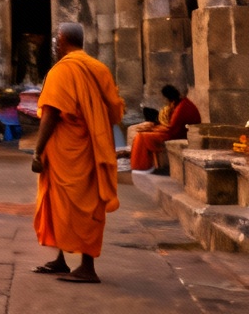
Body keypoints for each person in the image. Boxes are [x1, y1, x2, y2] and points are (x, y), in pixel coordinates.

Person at [31, 22, 124, 284]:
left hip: (69, 151)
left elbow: (51, 113)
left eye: (55, 41)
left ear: (61, 41)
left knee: (77, 208)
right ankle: (61, 260)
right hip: (91, 148)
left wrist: (37, 152)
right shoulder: (99, 68)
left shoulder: (63, 70)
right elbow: (115, 111)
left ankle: (87, 267)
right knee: (70, 205)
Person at [130, 84, 201, 174]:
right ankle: (141, 166)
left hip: (179, 134)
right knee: (141, 135)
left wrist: (154, 129)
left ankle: (142, 167)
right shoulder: (180, 103)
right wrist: (155, 127)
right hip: (175, 132)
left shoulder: (182, 107)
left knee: (142, 137)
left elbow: (172, 129)